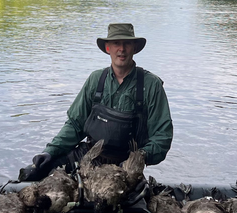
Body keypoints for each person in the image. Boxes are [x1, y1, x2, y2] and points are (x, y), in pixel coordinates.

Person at [19, 23, 173, 181]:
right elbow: (75, 125)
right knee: (34, 175)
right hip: (88, 157)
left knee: (114, 200)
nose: (122, 49)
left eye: (127, 43)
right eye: (116, 43)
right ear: (108, 48)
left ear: (134, 48)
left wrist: (139, 158)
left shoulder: (151, 85)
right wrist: (50, 152)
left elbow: (162, 137)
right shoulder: (95, 80)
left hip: (125, 166)